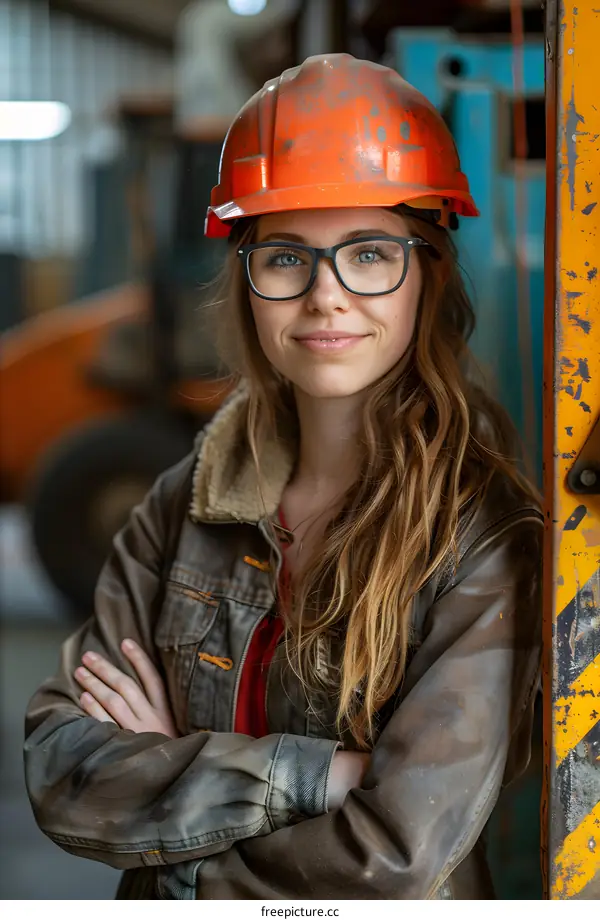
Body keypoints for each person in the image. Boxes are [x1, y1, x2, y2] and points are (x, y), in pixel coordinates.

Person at [24, 54, 542, 901]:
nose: (326, 296)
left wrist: (175, 849)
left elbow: (392, 858)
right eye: (286, 257)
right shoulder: (183, 506)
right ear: (247, 279)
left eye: (370, 254)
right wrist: (322, 778)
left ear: (427, 276)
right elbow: (62, 766)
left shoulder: (481, 536)